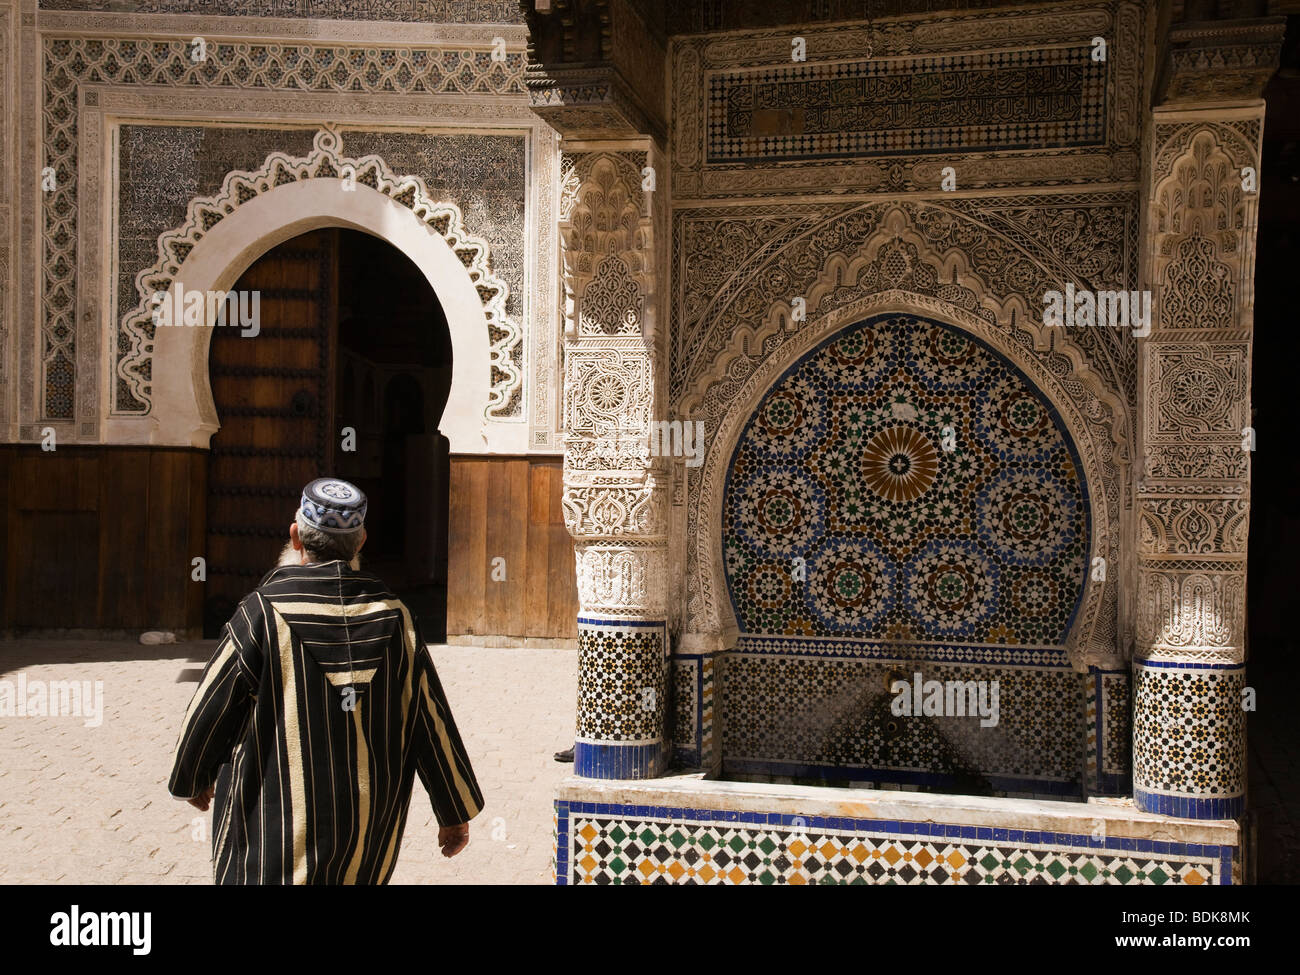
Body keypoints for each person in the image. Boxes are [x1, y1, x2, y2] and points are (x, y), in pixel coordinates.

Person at [168, 477, 483, 884]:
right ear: (361, 540)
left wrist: (193, 775)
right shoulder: (394, 617)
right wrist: (453, 810)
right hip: (363, 838)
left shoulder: (262, 612)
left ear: (295, 537)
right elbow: (428, 716)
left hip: (270, 832)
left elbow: (212, 703)